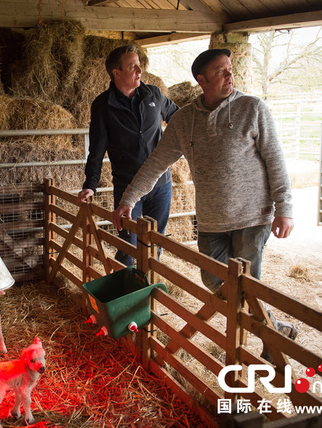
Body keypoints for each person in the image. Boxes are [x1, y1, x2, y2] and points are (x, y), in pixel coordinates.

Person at [112, 48, 298, 360]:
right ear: (202, 80)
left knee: (248, 288)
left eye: (230, 69)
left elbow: (275, 161)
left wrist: (285, 209)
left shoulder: (253, 109)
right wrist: (128, 200)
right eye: (221, 72)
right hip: (212, 220)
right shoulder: (184, 122)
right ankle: (275, 328)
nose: (230, 76)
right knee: (216, 282)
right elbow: (155, 164)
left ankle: (267, 347)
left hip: (253, 215)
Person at [78, 44, 180, 266]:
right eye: (133, 67)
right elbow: (96, 148)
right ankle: (126, 295)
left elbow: (178, 118)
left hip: (161, 184)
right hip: (127, 186)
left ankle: (146, 292)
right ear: (117, 73)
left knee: (155, 244)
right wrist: (90, 184)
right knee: (128, 248)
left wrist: (177, 145)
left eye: (139, 66)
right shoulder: (103, 105)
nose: (139, 71)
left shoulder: (153, 94)